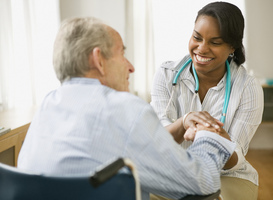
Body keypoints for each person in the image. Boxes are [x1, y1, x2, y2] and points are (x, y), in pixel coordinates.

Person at [17, 17, 236, 200]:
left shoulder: (47, 105)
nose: (130, 66)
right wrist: (208, 135)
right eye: (122, 53)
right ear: (98, 60)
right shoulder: (125, 109)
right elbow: (202, 184)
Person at [151, 2, 264, 200]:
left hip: (228, 176)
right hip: (174, 171)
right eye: (197, 37)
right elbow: (157, 142)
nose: (202, 48)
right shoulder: (166, 74)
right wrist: (184, 121)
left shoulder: (248, 87)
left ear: (232, 46)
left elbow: (235, 157)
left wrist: (214, 139)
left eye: (215, 42)